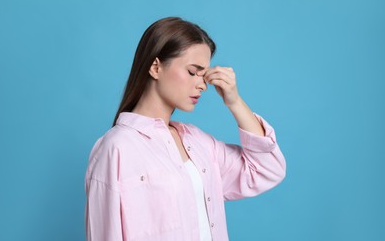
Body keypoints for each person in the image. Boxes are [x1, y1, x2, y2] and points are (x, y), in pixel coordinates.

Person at [85, 17, 286, 241]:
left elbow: (267, 170)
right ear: (156, 67)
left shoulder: (198, 142)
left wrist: (235, 102)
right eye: (192, 72)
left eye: (204, 75)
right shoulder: (117, 148)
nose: (202, 85)